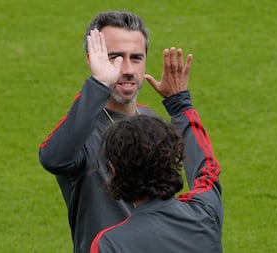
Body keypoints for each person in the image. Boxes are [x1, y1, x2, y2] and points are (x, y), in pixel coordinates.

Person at [38, 10, 194, 253]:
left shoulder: (151, 120)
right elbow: (54, 159)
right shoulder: (81, 130)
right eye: (115, 57)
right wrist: (99, 84)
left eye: (136, 58)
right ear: (93, 59)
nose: (128, 69)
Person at [90, 108, 223, 252]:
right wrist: (179, 103)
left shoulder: (110, 243)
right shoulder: (205, 213)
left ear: (113, 168)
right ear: (171, 158)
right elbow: (207, 170)